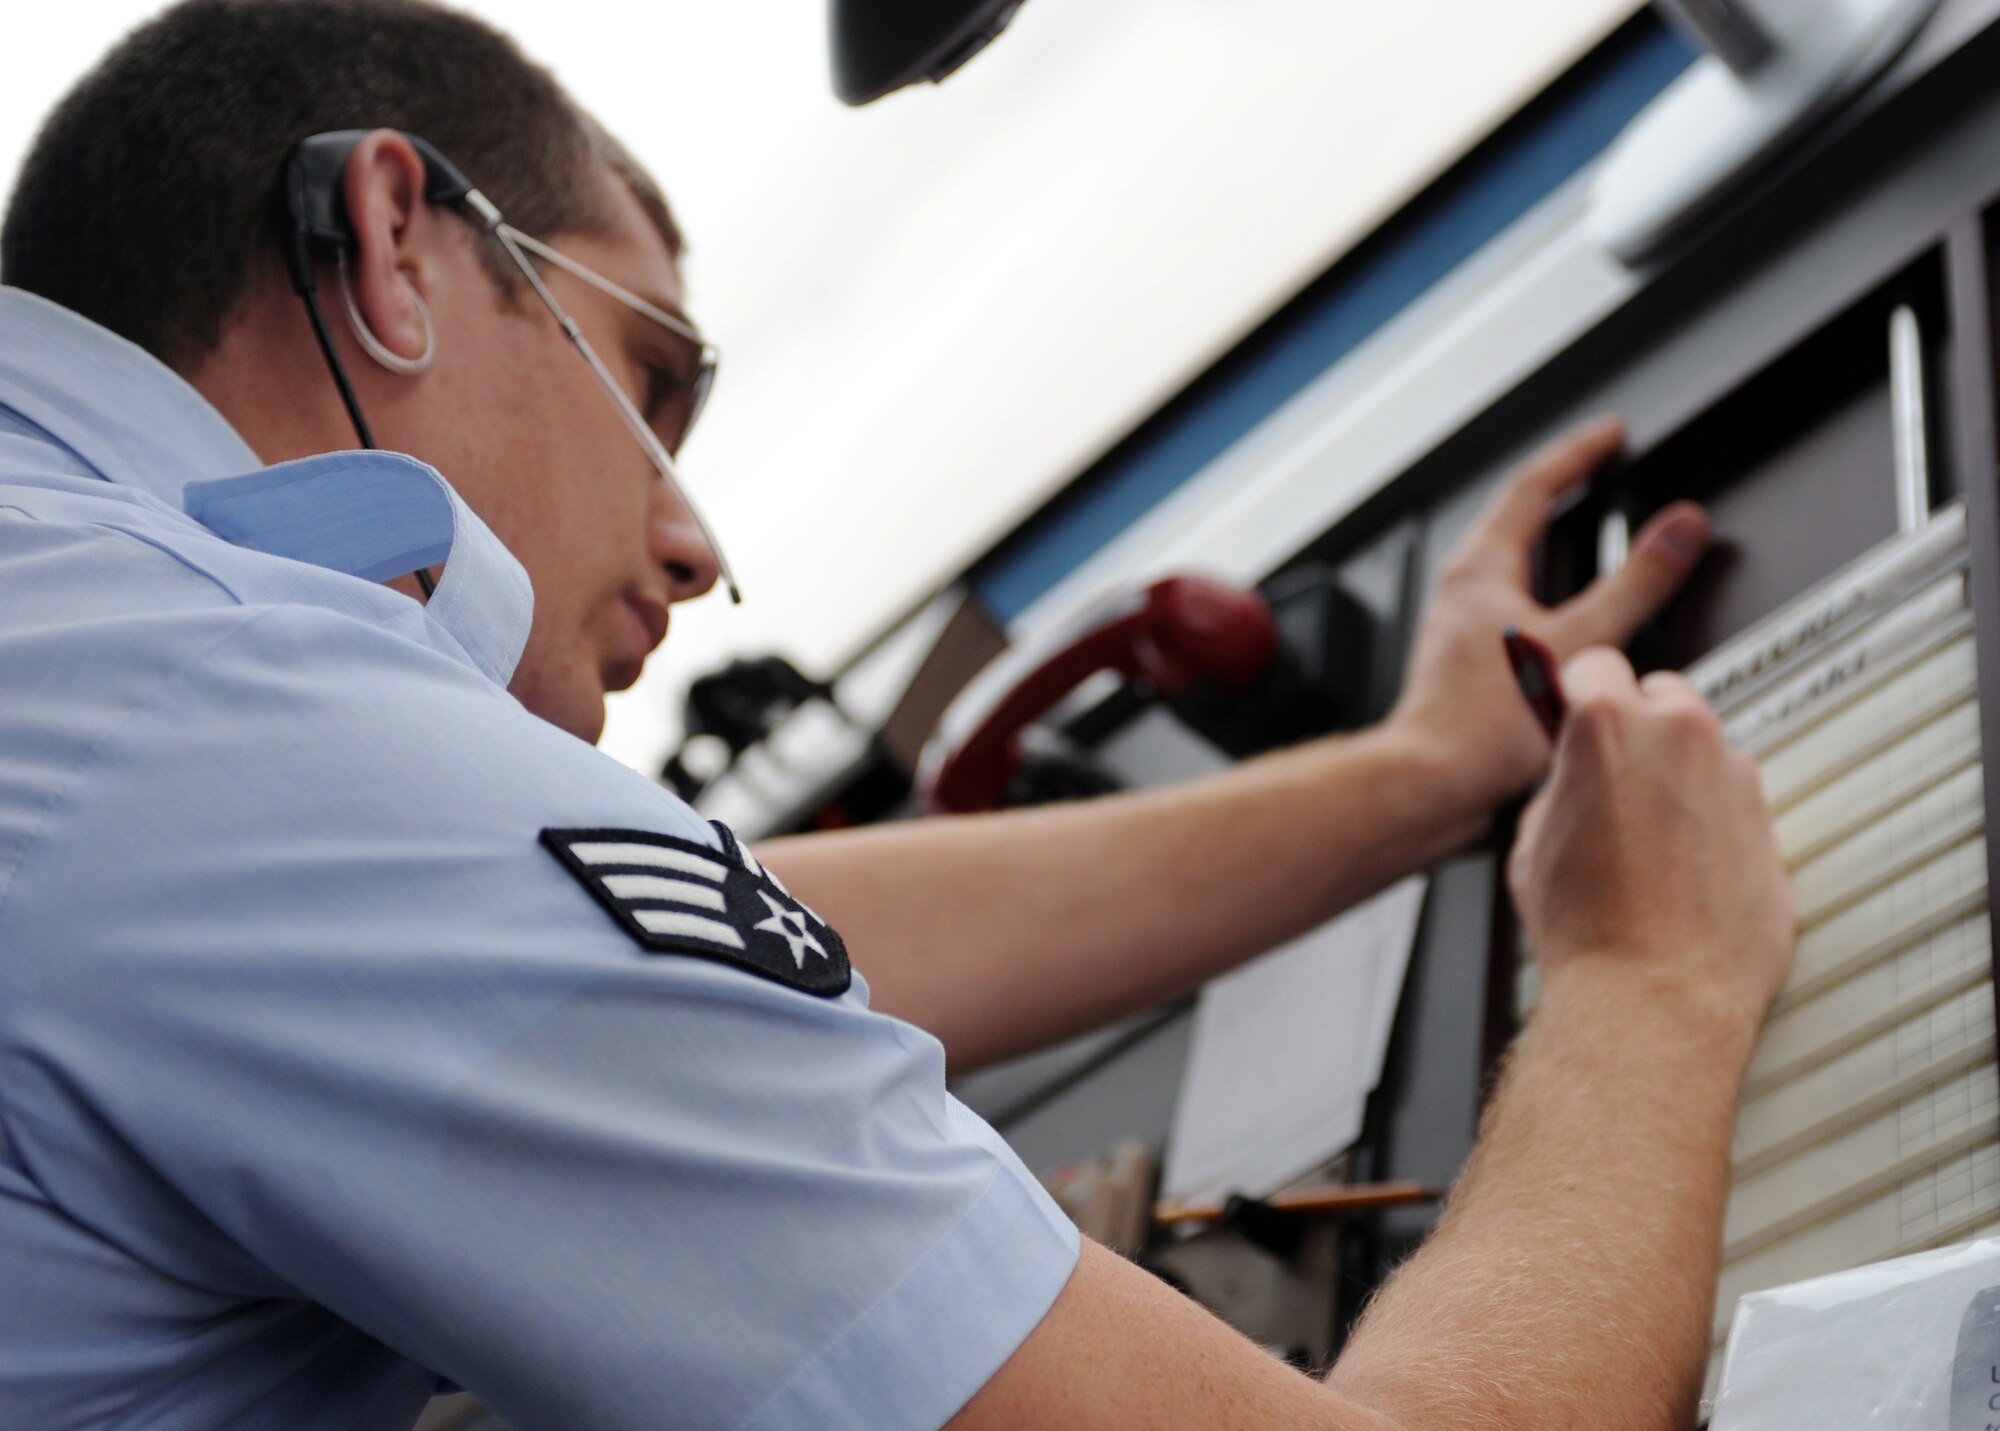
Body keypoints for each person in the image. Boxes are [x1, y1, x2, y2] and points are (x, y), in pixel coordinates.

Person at [0, 1, 1793, 1427]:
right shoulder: (217, 717)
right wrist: (1649, 975)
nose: (694, 545)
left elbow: (670, 926)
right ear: (397, 243)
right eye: (654, 380)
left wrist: (1419, 777)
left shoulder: (93, 640)